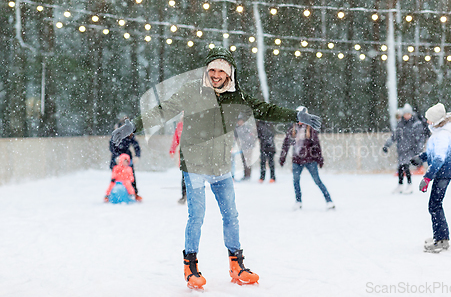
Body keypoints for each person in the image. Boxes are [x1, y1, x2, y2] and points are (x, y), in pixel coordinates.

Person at [111, 46, 321, 290]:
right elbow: (163, 110)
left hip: (221, 166)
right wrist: (133, 126)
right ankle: (190, 266)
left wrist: (295, 116)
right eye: (212, 69)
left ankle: (237, 265)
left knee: (231, 216)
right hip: (195, 165)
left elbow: (266, 109)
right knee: (196, 217)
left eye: (221, 70)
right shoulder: (192, 91)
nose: (216, 74)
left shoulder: (237, 97)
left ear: (229, 72)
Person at [411, 103, 451, 253]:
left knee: (434, 205)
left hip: (443, 174)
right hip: (441, 173)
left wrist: (427, 178)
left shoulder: (443, 136)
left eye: (429, 119)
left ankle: (441, 240)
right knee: (435, 205)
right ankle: (441, 236)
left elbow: (438, 159)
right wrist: (421, 157)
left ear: (436, 121)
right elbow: (433, 153)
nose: (427, 121)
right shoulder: (439, 133)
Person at [279, 107, 335, 211]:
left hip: (310, 160)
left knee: (317, 180)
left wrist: (320, 159)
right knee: (296, 181)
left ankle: (329, 201)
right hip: (297, 160)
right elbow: (286, 144)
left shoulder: (311, 129)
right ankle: (298, 201)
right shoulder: (292, 129)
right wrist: (282, 157)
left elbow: (316, 145)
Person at [382, 103, 425, 194]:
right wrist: (387, 145)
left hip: (410, 149)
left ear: (411, 114)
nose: (407, 116)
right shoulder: (400, 124)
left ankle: (409, 185)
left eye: (408, 114)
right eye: (405, 114)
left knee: (405, 166)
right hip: (401, 149)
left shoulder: (416, 123)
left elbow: (420, 137)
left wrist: (418, 150)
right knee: (400, 167)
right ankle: (400, 185)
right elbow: (394, 136)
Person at [110, 119, 142, 201]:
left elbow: (136, 146)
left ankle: (133, 193)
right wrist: (116, 157)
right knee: (115, 178)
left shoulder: (130, 135)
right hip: (116, 159)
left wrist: (137, 156)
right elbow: (112, 147)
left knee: (131, 177)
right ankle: (111, 194)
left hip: (127, 158)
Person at [169, 116, 187, 204]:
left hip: (194, 152)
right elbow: (175, 139)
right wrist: (172, 150)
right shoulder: (180, 125)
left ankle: (192, 195)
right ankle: (184, 195)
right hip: (183, 152)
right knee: (185, 175)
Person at [234, 115, 256, 180]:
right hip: (242, 147)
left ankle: (248, 175)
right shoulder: (236, 128)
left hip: (248, 146)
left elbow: (249, 137)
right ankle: (245, 174)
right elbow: (236, 137)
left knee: (248, 161)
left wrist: (244, 141)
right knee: (244, 161)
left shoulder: (247, 128)